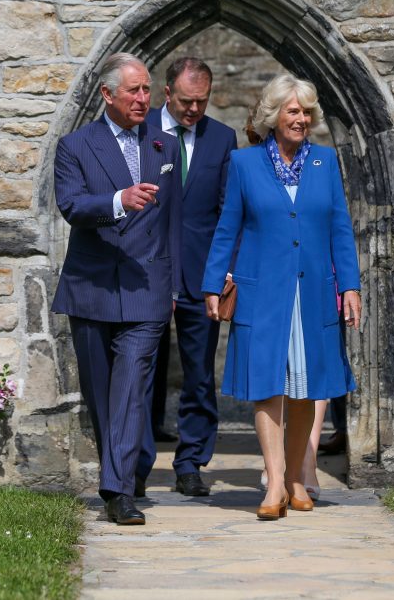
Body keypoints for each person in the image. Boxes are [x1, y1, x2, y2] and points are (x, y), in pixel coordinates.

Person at [201, 73, 361, 520]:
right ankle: (274, 483)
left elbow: (340, 229)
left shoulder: (324, 163)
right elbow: (227, 227)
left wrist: (350, 285)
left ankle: (296, 478)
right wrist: (213, 283)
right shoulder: (245, 164)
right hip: (262, 294)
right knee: (267, 388)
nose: (302, 119)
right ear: (273, 116)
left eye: (307, 112)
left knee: (307, 391)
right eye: (294, 111)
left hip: (313, 293)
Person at [51, 53, 182, 526]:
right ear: (108, 95)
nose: (144, 99)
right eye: (134, 91)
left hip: (148, 287)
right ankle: (119, 474)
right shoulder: (75, 146)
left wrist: (177, 284)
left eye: (147, 89)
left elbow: (174, 221)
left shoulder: (166, 146)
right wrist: (118, 200)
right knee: (101, 392)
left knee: (132, 386)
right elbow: (71, 205)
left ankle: (118, 490)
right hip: (92, 286)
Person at [137, 57, 236, 498]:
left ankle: (191, 461)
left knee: (198, 372)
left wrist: (225, 271)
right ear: (166, 94)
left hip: (202, 275)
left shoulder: (222, 138)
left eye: (202, 101)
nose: (194, 110)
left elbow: (225, 212)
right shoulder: (140, 134)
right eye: (186, 101)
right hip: (147, 271)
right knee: (140, 370)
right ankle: (135, 463)